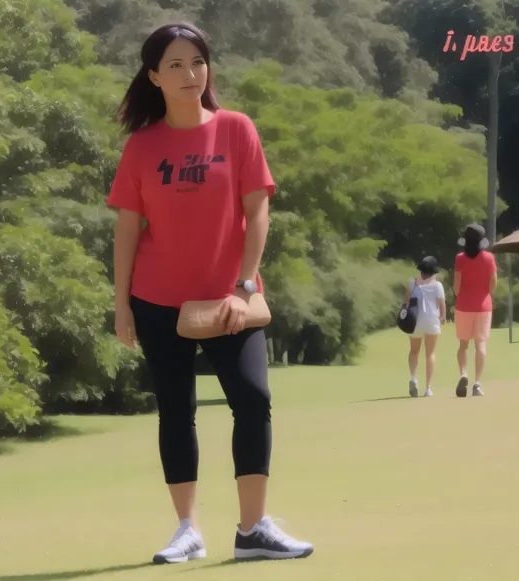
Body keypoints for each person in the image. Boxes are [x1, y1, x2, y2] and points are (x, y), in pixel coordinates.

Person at [107, 23, 314, 565]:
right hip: (157, 300)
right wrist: (121, 303)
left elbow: (258, 211)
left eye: (196, 62)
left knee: (253, 399)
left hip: (231, 299)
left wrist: (245, 287)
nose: (188, 73)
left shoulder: (235, 129)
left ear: (208, 69)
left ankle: (253, 530)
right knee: (176, 411)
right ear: (153, 76)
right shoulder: (142, 146)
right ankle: (187, 531)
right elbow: (128, 229)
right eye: (173, 65)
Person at [453, 224, 498, 397]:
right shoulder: (489, 258)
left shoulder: (460, 258)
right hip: (483, 306)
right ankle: (477, 384)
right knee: (480, 344)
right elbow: (493, 283)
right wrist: (484, 294)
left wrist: (461, 294)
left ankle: (464, 373)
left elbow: (456, 287)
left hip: (463, 305)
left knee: (463, 344)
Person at [403, 256, 446, 397]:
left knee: (414, 351)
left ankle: (413, 378)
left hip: (415, 321)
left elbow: (405, 303)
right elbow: (441, 304)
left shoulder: (412, 283)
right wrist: (443, 317)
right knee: (430, 354)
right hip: (431, 320)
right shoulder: (437, 285)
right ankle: (428, 388)